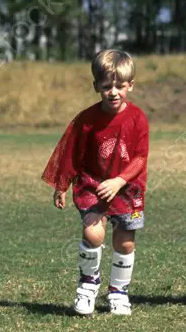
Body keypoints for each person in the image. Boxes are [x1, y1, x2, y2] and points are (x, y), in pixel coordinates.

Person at [43, 49, 149, 316]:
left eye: (120, 86)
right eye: (106, 86)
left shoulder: (137, 119)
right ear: (96, 86)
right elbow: (70, 151)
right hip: (93, 185)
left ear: (130, 85)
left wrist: (119, 180)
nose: (113, 92)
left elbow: (140, 158)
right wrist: (61, 183)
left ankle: (118, 293)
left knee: (125, 243)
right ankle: (87, 287)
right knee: (94, 234)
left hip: (127, 189)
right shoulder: (86, 120)